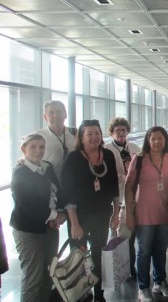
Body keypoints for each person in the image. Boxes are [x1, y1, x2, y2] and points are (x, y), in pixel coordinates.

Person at [61, 120, 120, 302]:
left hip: (102, 213)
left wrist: (116, 212)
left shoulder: (108, 155)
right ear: (81, 136)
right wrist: (75, 223)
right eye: (89, 134)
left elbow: (113, 185)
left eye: (97, 133)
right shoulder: (73, 159)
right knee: (78, 256)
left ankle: (99, 293)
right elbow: (68, 193)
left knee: (98, 253)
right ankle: (79, 292)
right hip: (79, 216)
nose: (94, 137)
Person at [10, 133, 66, 301]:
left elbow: (58, 192)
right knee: (33, 278)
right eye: (33, 147)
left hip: (49, 228)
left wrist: (59, 213)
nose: (38, 151)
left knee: (48, 273)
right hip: (28, 231)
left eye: (41, 147)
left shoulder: (46, 167)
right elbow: (28, 205)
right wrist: (56, 216)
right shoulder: (20, 173)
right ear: (23, 149)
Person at [125, 126, 168, 301]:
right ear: (147, 141)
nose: (156, 142)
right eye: (153, 138)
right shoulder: (139, 160)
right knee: (144, 251)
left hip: (164, 213)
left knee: (161, 250)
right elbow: (129, 186)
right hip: (144, 213)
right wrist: (129, 215)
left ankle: (160, 281)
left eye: (160, 138)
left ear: (165, 140)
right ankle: (143, 287)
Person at [105, 117, 140, 277]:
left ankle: (131, 268)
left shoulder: (134, 147)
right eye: (117, 130)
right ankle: (120, 269)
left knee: (132, 235)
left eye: (123, 130)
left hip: (135, 197)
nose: (121, 133)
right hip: (118, 199)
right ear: (111, 133)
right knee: (121, 236)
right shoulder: (107, 150)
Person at [36, 100, 76, 181]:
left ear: (65, 114)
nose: (55, 115)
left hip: (74, 182)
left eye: (59, 112)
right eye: (51, 112)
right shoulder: (38, 137)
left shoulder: (75, 133)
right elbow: (27, 157)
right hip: (49, 183)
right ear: (45, 117)